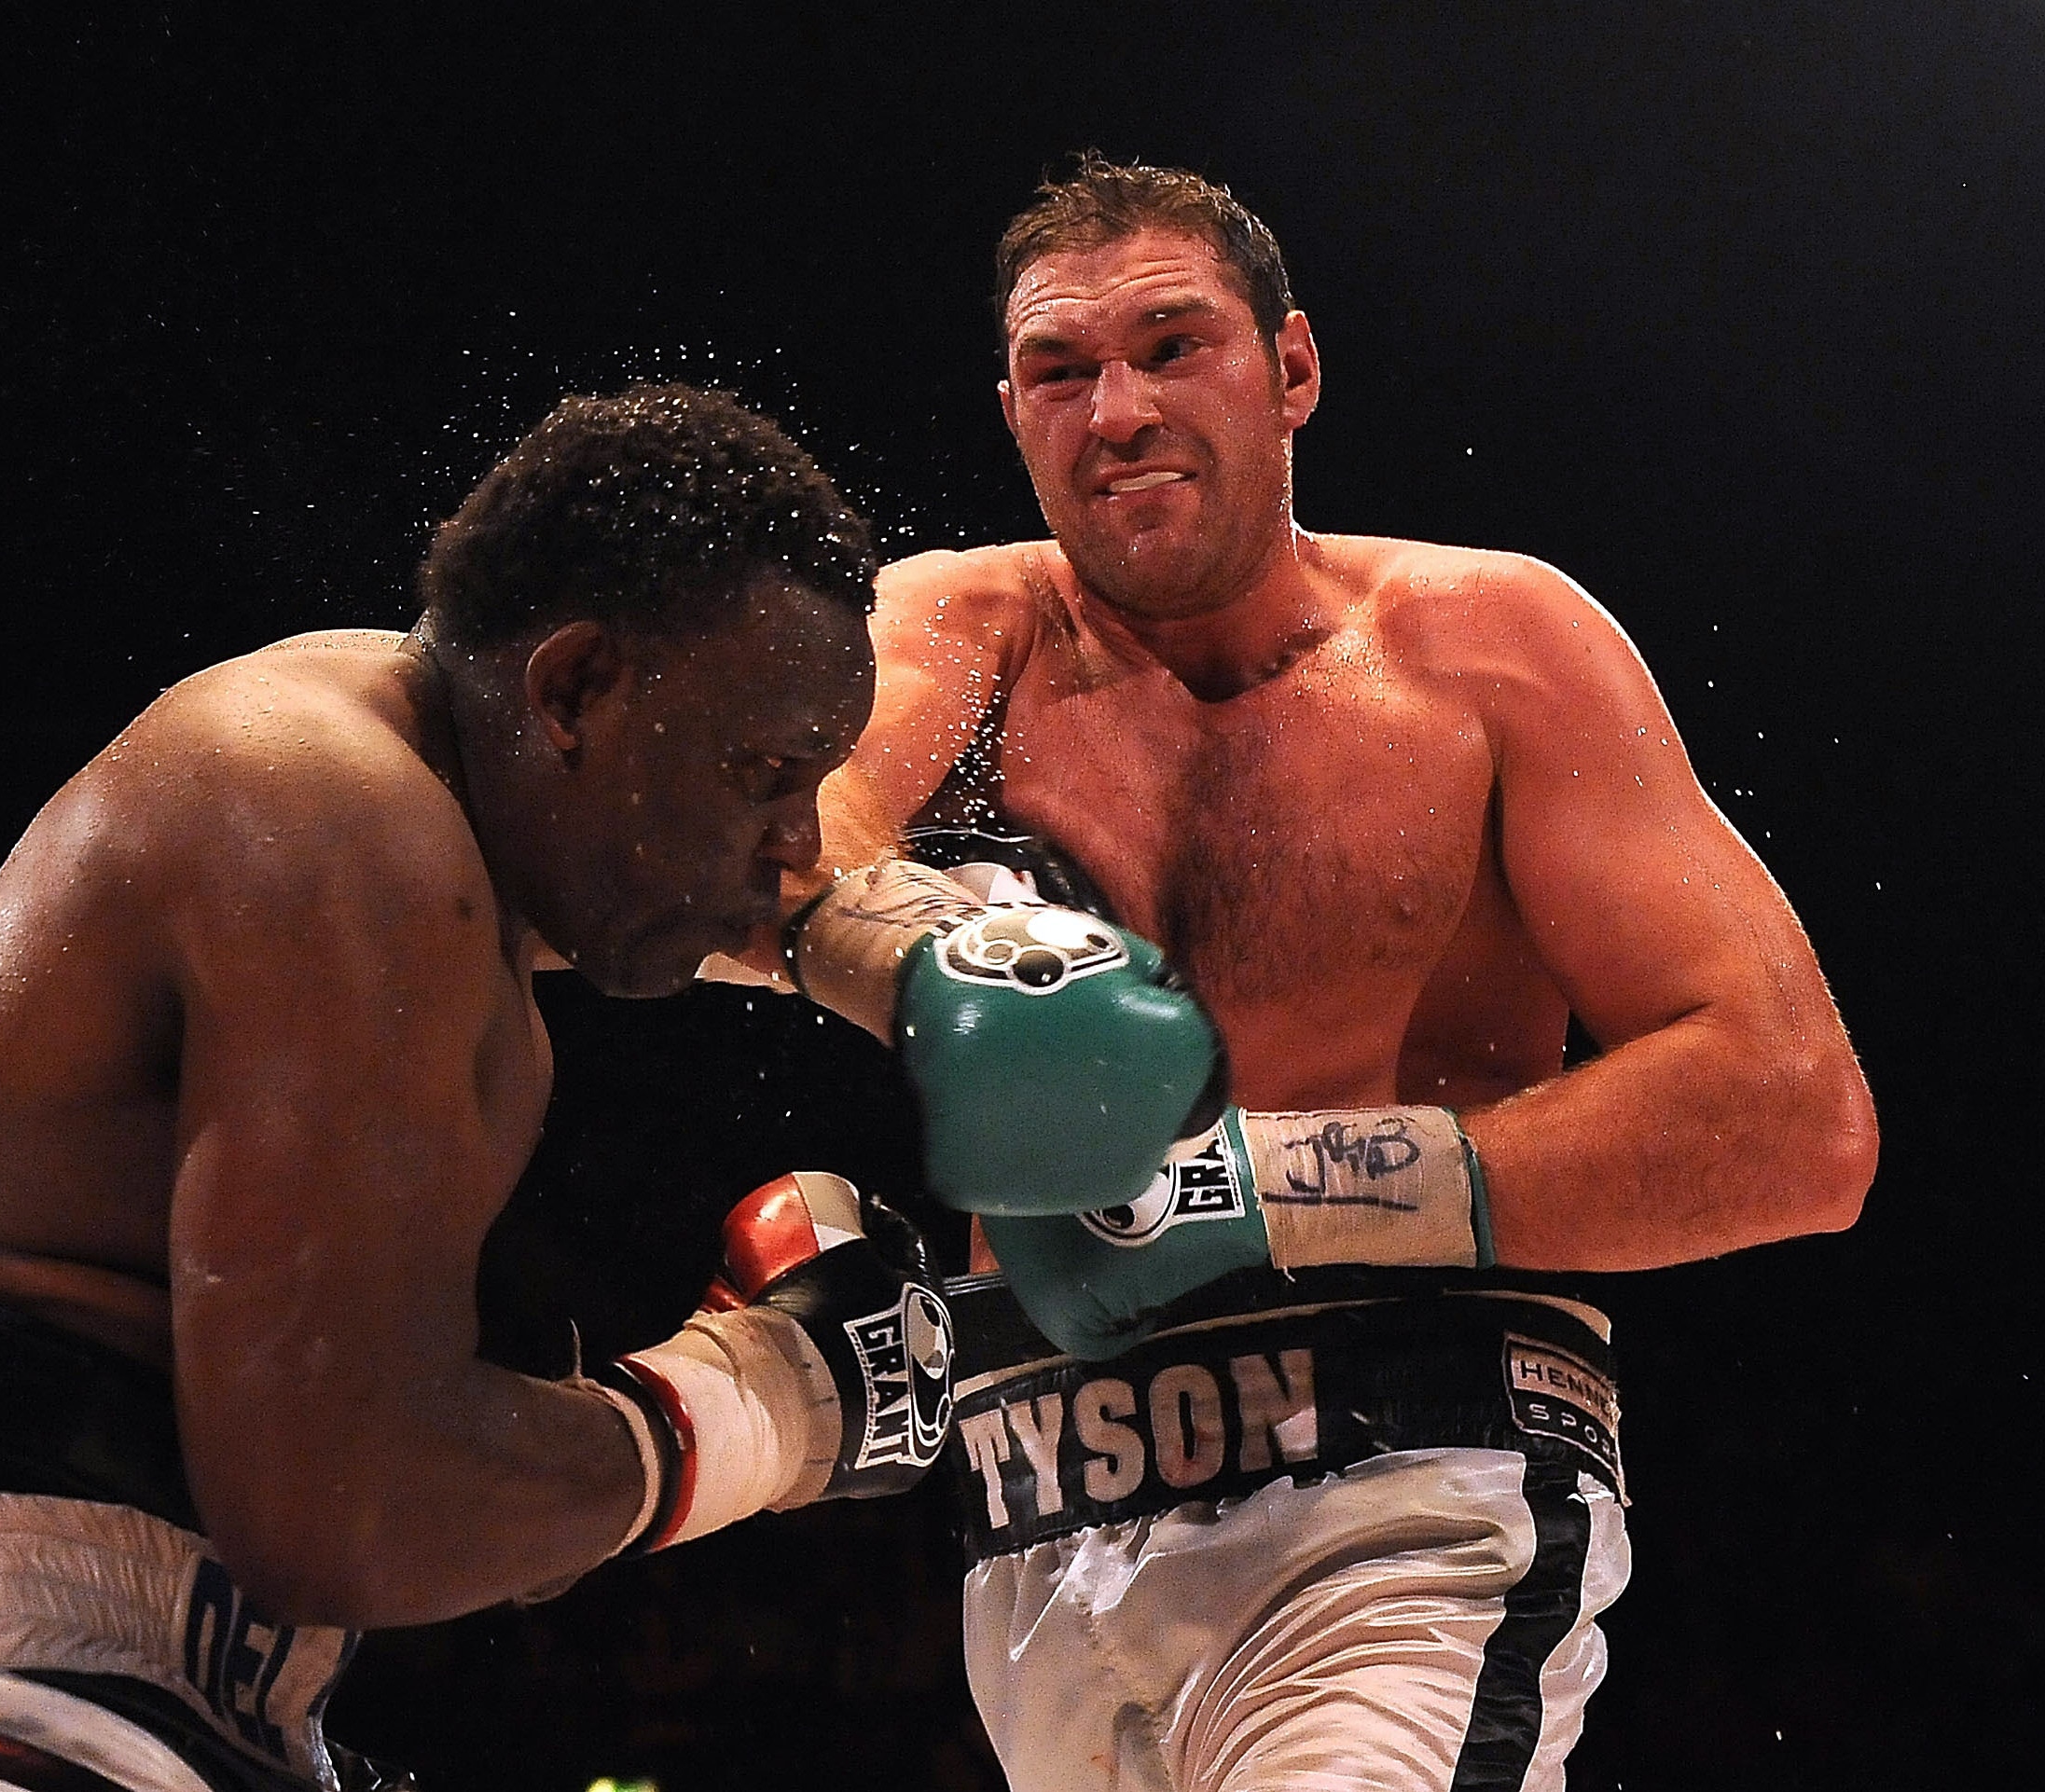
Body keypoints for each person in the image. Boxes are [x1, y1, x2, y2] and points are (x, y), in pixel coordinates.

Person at [0, 386, 975, 1792]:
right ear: (575, 687)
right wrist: (760, 1407)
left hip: (142, 1692)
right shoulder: (337, 812)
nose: (791, 843)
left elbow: (411, 1498)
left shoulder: (451, 922)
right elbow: (343, 1509)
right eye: (763, 771)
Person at [765, 159, 1879, 1791]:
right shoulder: (959, 629)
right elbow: (761, 851)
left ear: (1291, 369)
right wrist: (937, 950)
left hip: (1404, 1500)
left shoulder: (1489, 645)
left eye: (1171, 346)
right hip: (1037, 1538)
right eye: (1060, 372)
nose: (1117, 407)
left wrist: (1261, 1183)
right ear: (1010, 409)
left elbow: (1796, 1120)